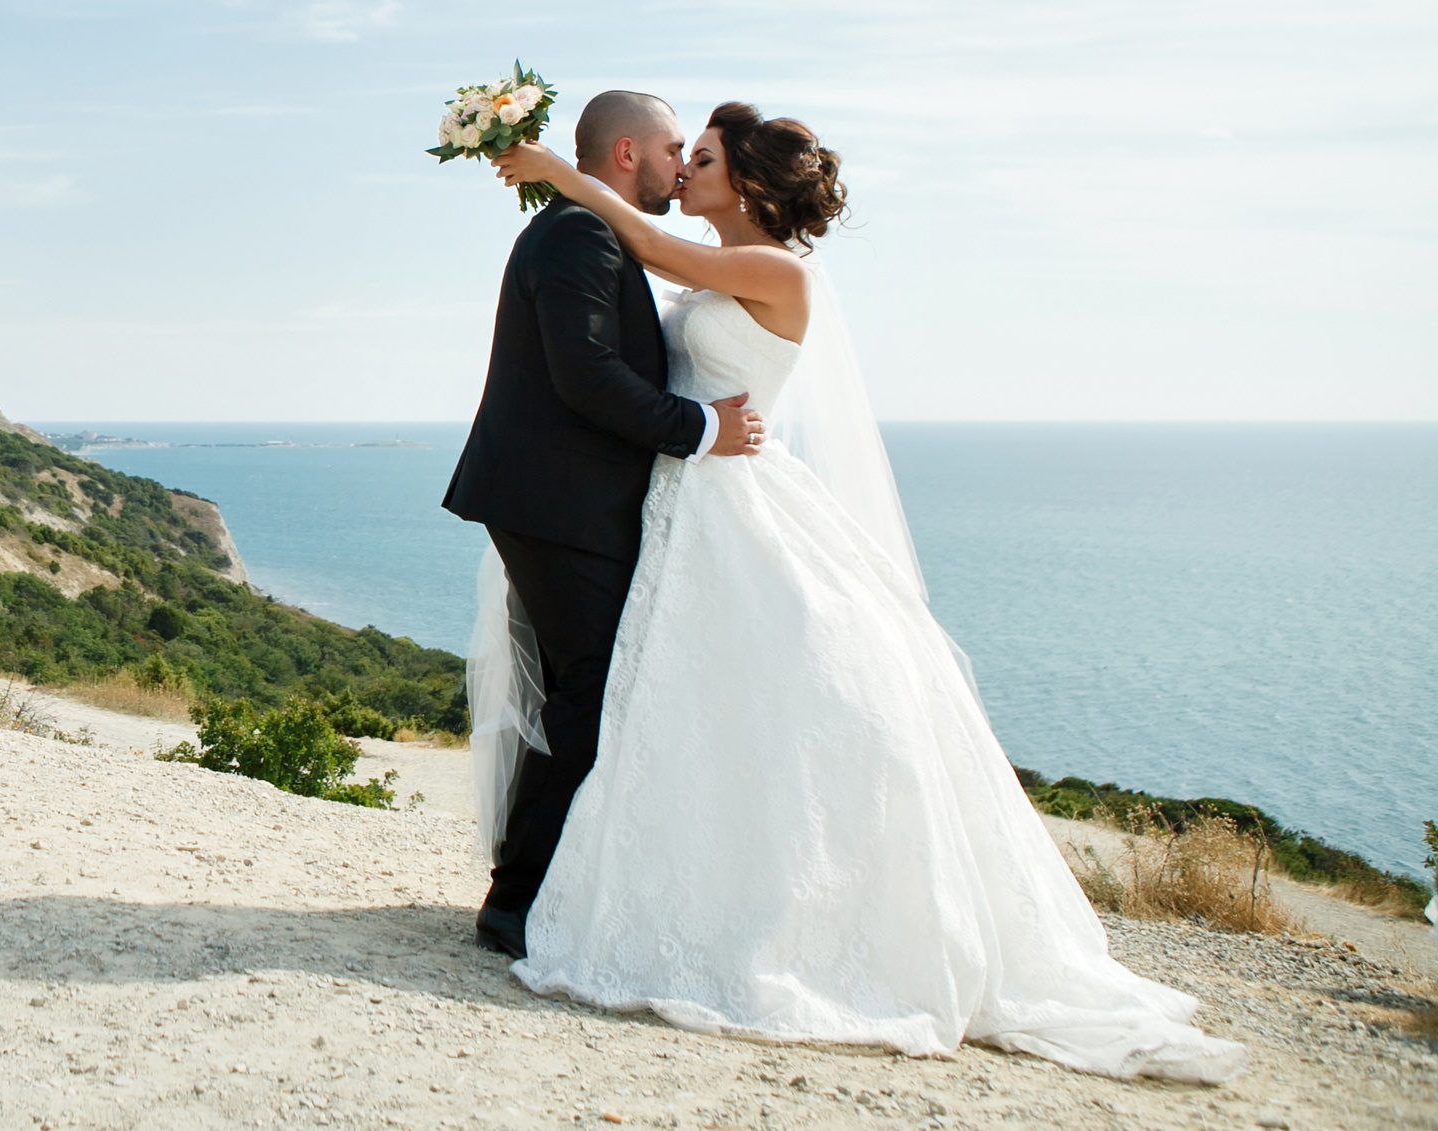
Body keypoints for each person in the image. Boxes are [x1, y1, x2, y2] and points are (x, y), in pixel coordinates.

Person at [471, 104, 1246, 1083]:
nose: (689, 165)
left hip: (728, 497)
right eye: (684, 151)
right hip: (684, 506)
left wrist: (556, 171)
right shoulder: (725, 258)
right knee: (674, 707)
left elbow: (647, 242)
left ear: (745, 187)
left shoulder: (776, 271)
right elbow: (648, 261)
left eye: (702, 157)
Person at [440, 89, 766, 960]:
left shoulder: (595, 227)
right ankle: (517, 905)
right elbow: (584, 373)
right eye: (671, 151)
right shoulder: (582, 234)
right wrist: (700, 429)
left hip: (561, 501)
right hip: (562, 505)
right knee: (587, 694)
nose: (679, 166)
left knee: (572, 690)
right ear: (626, 154)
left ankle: (539, 886)